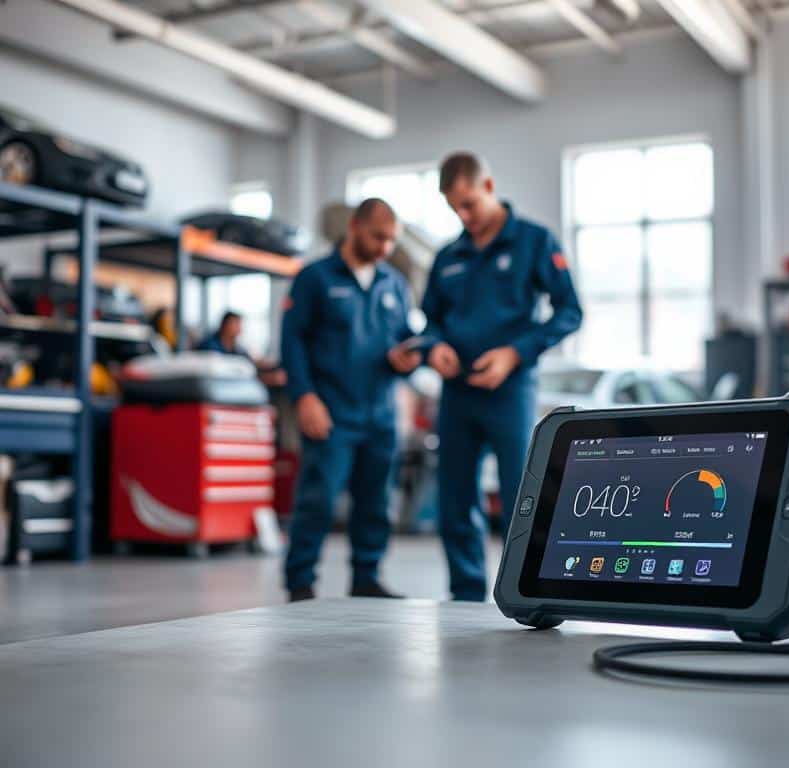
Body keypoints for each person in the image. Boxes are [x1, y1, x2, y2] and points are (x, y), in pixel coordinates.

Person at [422, 152, 583, 601]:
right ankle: (465, 595)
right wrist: (434, 347)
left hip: (510, 390)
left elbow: (570, 311)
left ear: (489, 187)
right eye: (454, 208)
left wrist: (515, 354)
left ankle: (527, 592)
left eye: (469, 204)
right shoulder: (447, 257)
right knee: (455, 500)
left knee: (522, 496)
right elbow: (430, 321)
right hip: (457, 395)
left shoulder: (534, 241)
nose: (464, 216)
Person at [281, 198, 421, 602]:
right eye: (378, 237)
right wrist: (304, 397)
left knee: (375, 502)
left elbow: (404, 341)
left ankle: (366, 578)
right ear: (355, 227)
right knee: (319, 499)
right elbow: (292, 342)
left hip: (380, 413)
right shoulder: (314, 278)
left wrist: (408, 360)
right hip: (331, 412)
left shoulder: (394, 284)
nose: (384, 248)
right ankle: (300, 583)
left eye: (391, 241)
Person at [198, 311, 286, 387]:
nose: (239, 328)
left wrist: (272, 365)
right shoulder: (209, 346)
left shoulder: (237, 348)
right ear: (224, 325)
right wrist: (266, 378)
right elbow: (228, 372)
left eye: (240, 324)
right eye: (236, 324)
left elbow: (249, 362)